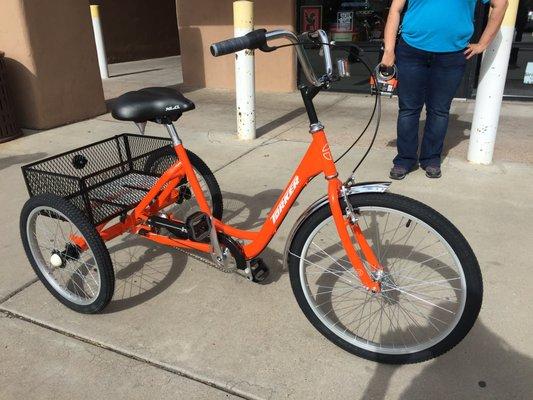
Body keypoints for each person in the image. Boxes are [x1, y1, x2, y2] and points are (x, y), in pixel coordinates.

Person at [382, 0, 508, 179]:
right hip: (411, 50)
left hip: (452, 55)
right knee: (408, 109)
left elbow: (501, 4)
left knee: (439, 110)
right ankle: (405, 159)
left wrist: (483, 44)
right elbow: (395, 9)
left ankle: (431, 158)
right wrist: (389, 51)